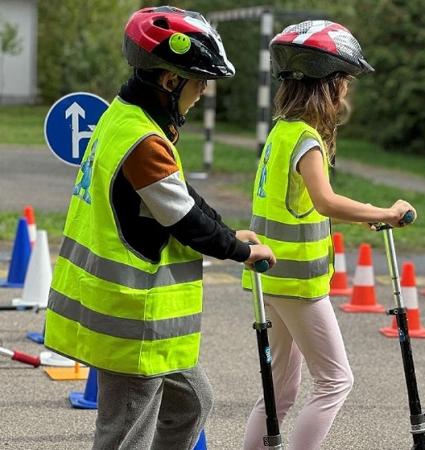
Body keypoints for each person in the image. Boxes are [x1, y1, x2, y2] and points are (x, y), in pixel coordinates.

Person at [44, 6, 275, 450]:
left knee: (191, 403)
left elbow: (179, 193)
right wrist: (240, 252)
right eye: (200, 82)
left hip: (149, 323)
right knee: (125, 434)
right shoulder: (144, 142)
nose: (203, 92)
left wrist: (230, 233)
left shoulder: (127, 116)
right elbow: (183, 218)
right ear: (171, 82)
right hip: (133, 317)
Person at [241, 20, 415, 450]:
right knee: (336, 381)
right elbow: (325, 201)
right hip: (298, 284)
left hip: (272, 279)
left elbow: (303, 204)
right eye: (345, 81)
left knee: (278, 392)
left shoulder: (280, 133)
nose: (347, 91)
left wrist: (367, 217)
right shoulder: (305, 138)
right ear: (329, 84)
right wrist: (385, 213)